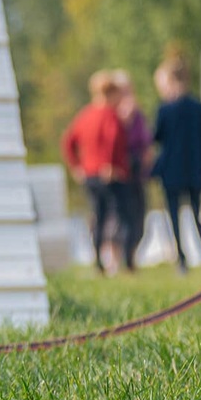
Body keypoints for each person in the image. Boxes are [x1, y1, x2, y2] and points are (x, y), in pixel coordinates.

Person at [150, 49, 201, 275]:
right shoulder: (198, 107)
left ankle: (182, 262)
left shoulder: (164, 109)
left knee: (175, 218)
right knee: (198, 215)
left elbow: (156, 137)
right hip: (194, 169)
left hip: (171, 171)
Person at [62, 71, 133, 274]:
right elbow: (112, 139)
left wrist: (76, 166)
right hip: (111, 175)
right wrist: (110, 164)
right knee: (122, 216)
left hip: (90, 175)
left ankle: (98, 263)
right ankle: (126, 261)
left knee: (98, 217)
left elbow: (68, 141)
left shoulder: (84, 115)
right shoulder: (111, 115)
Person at [110, 70, 151, 270]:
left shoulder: (138, 115)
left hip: (136, 173)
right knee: (118, 219)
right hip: (118, 173)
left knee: (138, 218)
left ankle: (131, 258)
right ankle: (117, 261)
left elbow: (146, 142)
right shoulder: (110, 115)